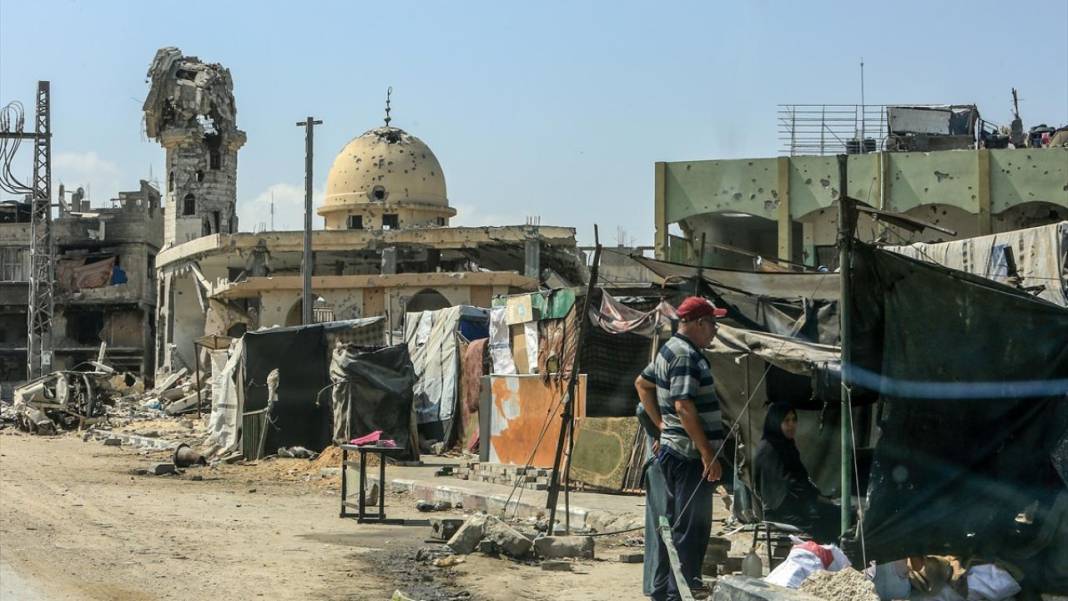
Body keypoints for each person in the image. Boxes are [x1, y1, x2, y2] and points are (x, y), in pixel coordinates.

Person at [634, 296, 727, 601]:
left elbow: (642, 384)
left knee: (674, 529)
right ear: (699, 323)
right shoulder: (686, 354)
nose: (715, 330)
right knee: (690, 530)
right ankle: (679, 595)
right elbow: (684, 405)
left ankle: (664, 592)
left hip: (676, 451)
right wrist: (707, 453)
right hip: (688, 457)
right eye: (712, 323)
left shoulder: (668, 349)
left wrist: (662, 425)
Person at [753, 404, 839, 542]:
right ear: (775, 422)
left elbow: (800, 479)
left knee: (835, 513)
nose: (791, 425)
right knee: (828, 519)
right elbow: (786, 487)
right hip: (780, 509)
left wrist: (817, 496)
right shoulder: (770, 450)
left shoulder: (786, 445)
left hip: (794, 504)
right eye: (786, 421)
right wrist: (814, 499)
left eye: (794, 420)